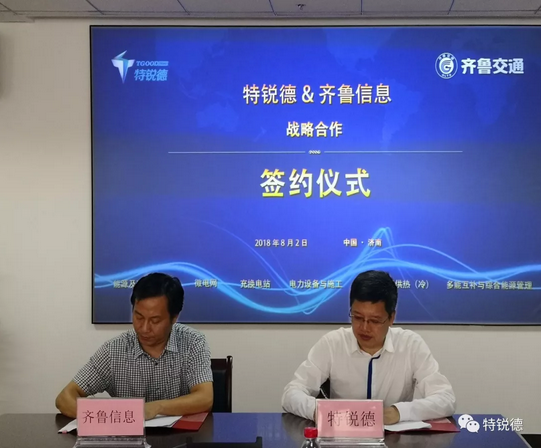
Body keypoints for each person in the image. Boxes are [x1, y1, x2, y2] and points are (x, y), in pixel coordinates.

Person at [281, 270, 455, 424]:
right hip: (343, 438)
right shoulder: (333, 343)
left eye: (374, 320)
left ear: (391, 318)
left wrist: (398, 412)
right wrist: (321, 411)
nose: (364, 327)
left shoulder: (411, 345)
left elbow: (446, 399)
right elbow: (291, 393)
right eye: (357, 317)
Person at [55, 273, 213, 420]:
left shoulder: (193, 342)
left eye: (155, 321)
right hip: (128, 436)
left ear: (174, 318)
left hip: (181, 436)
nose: (144, 328)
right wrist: (105, 417)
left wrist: (156, 407)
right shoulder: (114, 350)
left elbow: (205, 398)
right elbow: (64, 398)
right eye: (139, 317)